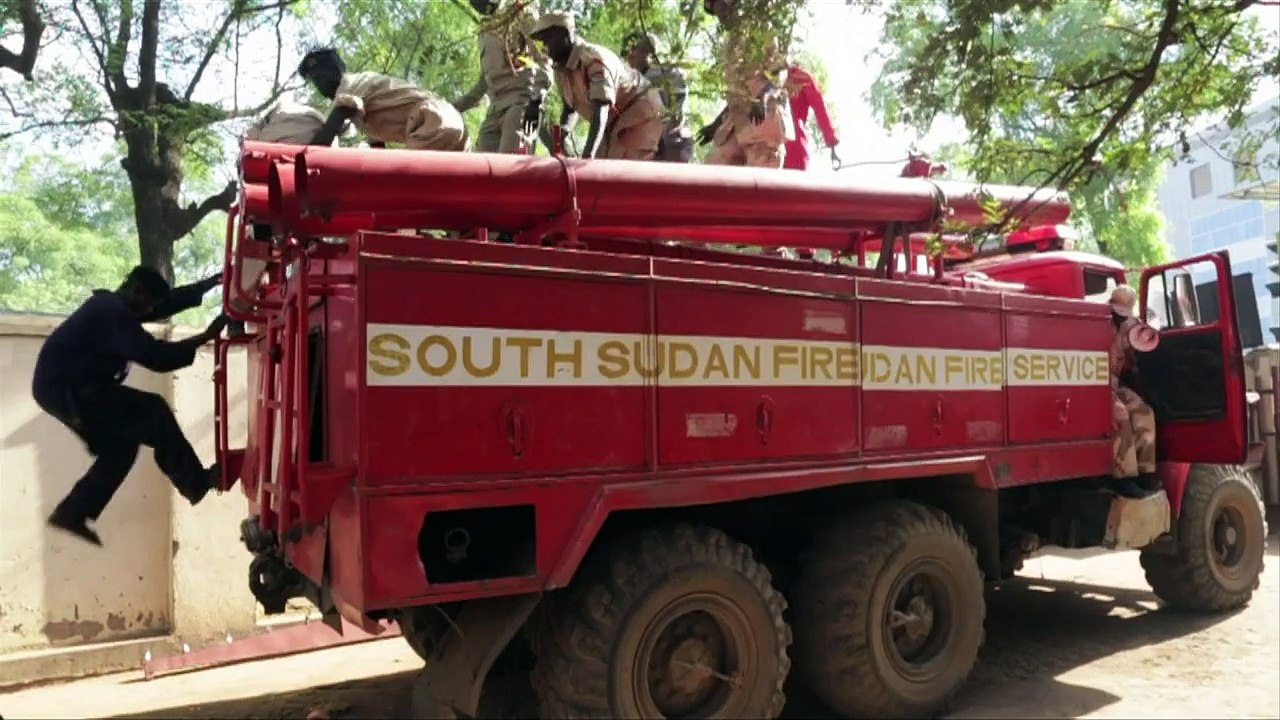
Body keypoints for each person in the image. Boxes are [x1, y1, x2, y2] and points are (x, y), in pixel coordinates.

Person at [34, 267, 229, 547]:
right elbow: (156, 356)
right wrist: (203, 337)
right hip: (69, 390)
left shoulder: (117, 306)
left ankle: (73, 513)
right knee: (154, 413)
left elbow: (168, 302)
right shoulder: (111, 313)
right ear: (138, 292)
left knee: (121, 448)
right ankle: (195, 481)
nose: (150, 310)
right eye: (150, 303)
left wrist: (210, 283)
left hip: (62, 389)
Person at [530, 13, 665, 161]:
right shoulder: (561, 70)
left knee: (623, 172)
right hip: (611, 122)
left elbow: (602, 108)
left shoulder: (594, 60)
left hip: (639, 113)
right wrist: (564, 131)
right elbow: (570, 107)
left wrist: (587, 157)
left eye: (547, 40)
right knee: (604, 169)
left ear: (564, 35)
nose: (544, 47)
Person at [297, 48, 469, 151]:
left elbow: (321, 143)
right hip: (449, 120)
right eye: (315, 82)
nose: (320, 86)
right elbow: (378, 148)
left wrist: (297, 158)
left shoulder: (347, 88)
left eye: (320, 78)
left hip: (429, 121)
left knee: (407, 189)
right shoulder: (363, 92)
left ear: (336, 70)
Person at [697, 0, 794, 168]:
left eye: (719, 5)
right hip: (740, 124)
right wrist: (716, 124)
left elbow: (780, 74)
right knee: (716, 168)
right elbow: (739, 93)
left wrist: (764, 97)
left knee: (761, 180)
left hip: (764, 121)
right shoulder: (731, 43)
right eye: (714, 10)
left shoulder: (761, 30)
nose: (719, 14)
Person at [453, 0, 551, 154]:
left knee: (512, 167)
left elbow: (544, 61)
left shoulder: (522, 15)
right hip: (495, 108)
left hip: (522, 102)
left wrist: (535, 103)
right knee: (481, 170)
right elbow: (486, 79)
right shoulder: (485, 30)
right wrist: (453, 107)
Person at [1107, 285, 1161, 497]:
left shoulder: (1129, 326)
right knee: (1120, 415)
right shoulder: (1097, 323)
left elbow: (1136, 352)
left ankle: (1145, 473)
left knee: (1144, 412)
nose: (1119, 317)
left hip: (1115, 382)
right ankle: (1125, 477)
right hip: (1097, 383)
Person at [621, 30, 693, 163]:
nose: (629, 60)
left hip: (671, 144)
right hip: (651, 148)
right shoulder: (637, 81)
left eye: (633, 52)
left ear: (649, 53)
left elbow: (675, 109)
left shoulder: (666, 73)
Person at [783, 62, 839, 171]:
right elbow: (820, 109)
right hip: (794, 145)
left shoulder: (760, 79)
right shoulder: (802, 78)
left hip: (765, 147)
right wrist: (830, 140)